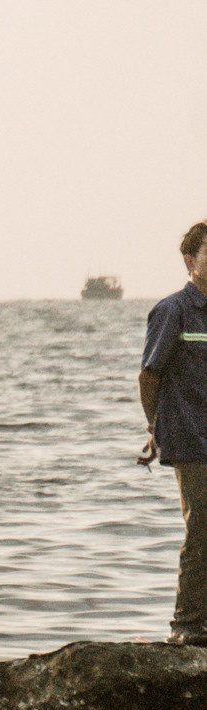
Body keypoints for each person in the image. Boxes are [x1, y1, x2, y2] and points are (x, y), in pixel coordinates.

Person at [139, 222, 207, 644]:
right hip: (188, 436)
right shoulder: (173, 310)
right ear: (190, 262)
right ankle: (186, 626)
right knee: (202, 527)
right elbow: (150, 375)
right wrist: (155, 428)